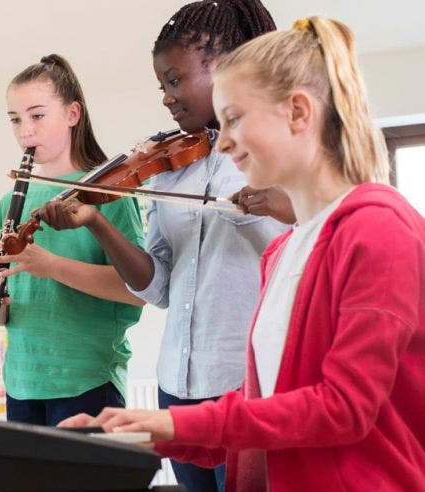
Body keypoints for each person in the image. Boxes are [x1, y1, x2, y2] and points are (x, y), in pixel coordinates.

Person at [60, 16, 425, 491]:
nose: (223, 140)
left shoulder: (378, 228)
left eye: (234, 118)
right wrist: (142, 432)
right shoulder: (284, 252)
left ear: (297, 112)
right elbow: (264, 404)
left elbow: (344, 409)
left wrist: (175, 426)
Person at [35, 3, 288, 490]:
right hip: (178, 383)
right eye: (162, 86)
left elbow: (322, 234)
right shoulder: (173, 167)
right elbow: (159, 286)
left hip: (248, 381)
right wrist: (96, 224)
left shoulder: (278, 152)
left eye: (175, 80)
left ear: (230, 67)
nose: (167, 99)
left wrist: (277, 204)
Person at [0, 54, 146, 427]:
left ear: (73, 114)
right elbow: (14, 308)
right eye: (15, 120)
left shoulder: (109, 193)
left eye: (37, 115)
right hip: (22, 383)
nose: (24, 131)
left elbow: (137, 290)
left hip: (87, 381)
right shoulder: (11, 202)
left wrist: (52, 266)